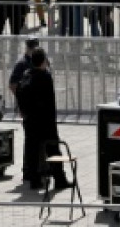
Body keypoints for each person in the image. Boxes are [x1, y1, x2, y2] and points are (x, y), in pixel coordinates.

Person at [16, 48, 71, 191]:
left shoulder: (26, 75)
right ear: (43, 61)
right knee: (53, 150)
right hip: (45, 121)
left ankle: (34, 180)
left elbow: (18, 92)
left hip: (30, 121)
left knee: (32, 151)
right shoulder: (45, 77)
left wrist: (24, 111)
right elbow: (49, 101)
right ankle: (59, 179)